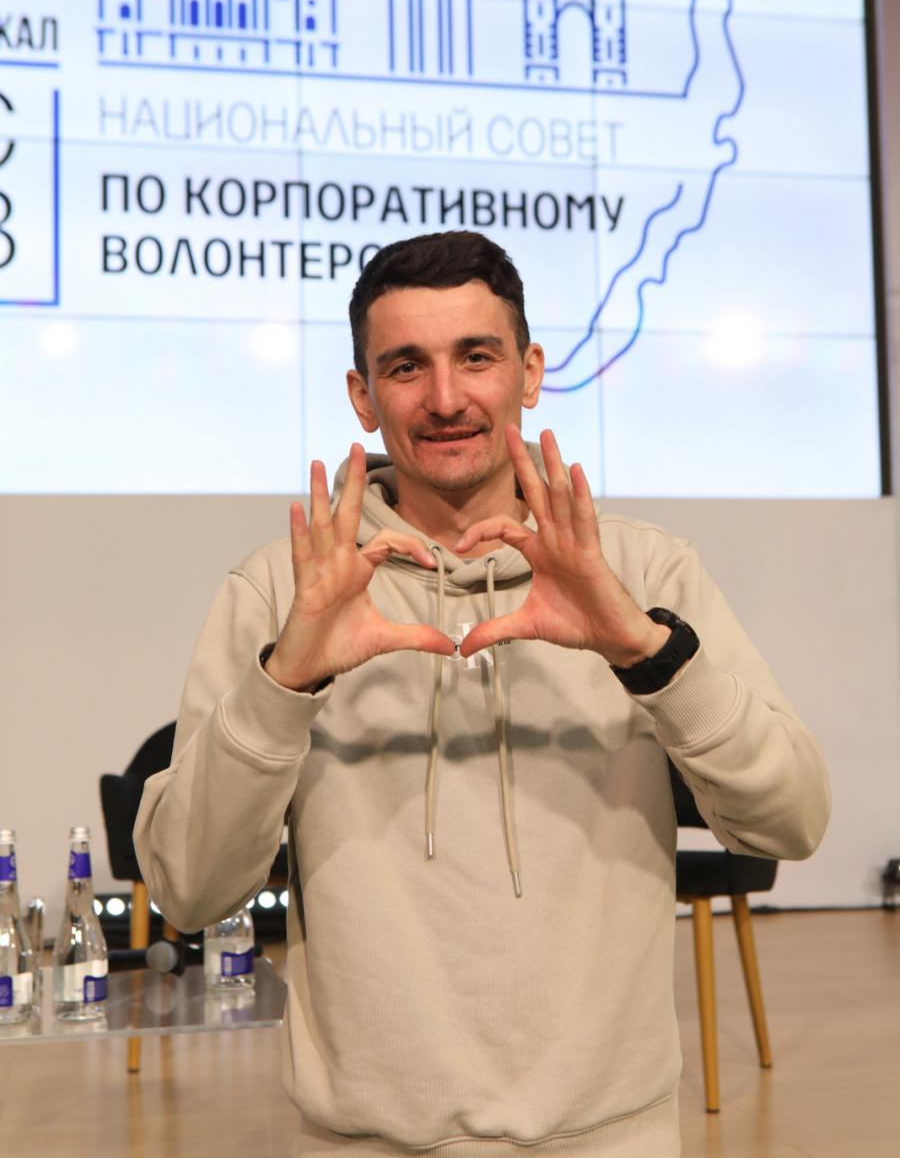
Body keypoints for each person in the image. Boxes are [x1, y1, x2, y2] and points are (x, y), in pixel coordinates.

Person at [135, 230, 830, 1157]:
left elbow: (792, 820)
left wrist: (645, 651)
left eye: (476, 356)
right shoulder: (287, 590)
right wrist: (285, 684)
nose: (446, 398)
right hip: (361, 1143)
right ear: (363, 395)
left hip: (612, 1139)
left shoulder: (640, 574)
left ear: (529, 373)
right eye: (406, 366)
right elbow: (189, 888)